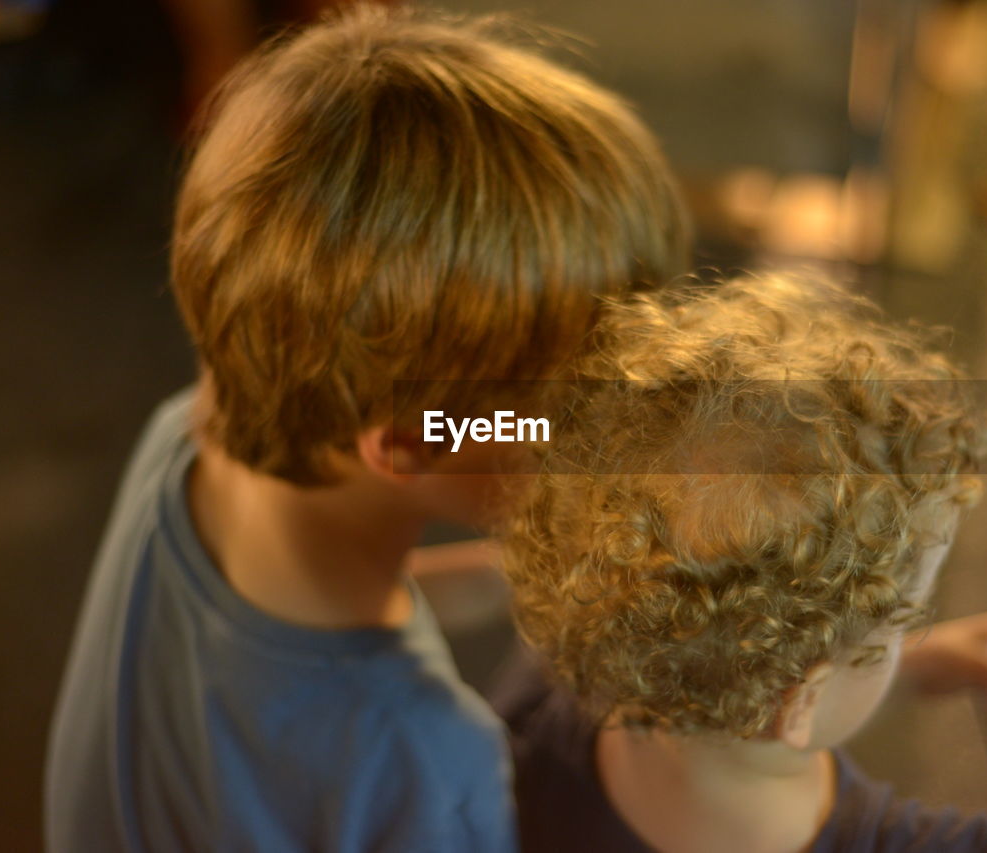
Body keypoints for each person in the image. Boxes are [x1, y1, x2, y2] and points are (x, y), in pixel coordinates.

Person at [44, 4, 689, 850]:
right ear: (412, 442)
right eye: (577, 409)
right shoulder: (425, 761)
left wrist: (545, 574)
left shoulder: (191, 434)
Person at [496, 272, 987, 852]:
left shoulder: (564, 689)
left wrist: (908, 666)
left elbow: (728, 669)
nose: (907, 638)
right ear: (799, 704)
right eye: (903, 623)